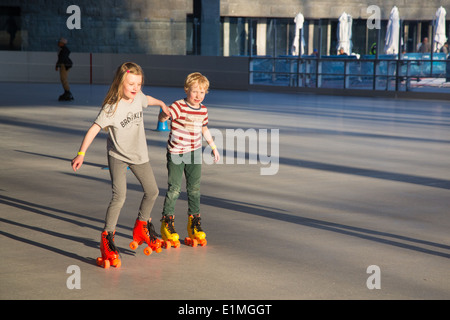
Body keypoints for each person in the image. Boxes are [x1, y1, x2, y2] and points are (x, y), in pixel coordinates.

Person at [71, 62, 170, 268]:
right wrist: (81, 153)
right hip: (118, 155)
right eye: (131, 83)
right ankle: (107, 237)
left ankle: (142, 225)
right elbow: (94, 129)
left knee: (152, 191)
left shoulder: (138, 97)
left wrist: (161, 103)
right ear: (120, 82)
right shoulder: (112, 107)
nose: (135, 88)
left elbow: (147, 99)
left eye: (139, 84)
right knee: (120, 196)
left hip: (139, 154)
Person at [158, 72, 220, 248]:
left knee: (194, 189)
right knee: (174, 189)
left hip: (194, 152)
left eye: (202, 93)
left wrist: (213, 147)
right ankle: (167, 223)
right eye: (194, 92)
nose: (198, 96)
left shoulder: (203, 110)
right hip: (176, 153)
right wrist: (163, 117)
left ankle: (194, 223)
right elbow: (164, 117)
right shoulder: (178, 106)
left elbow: (204, 129)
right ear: (186, 90)